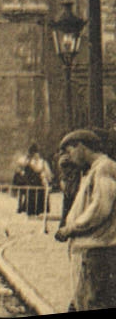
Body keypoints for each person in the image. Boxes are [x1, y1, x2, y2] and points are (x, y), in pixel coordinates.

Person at [53, 129, 116, 313]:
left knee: (91, 303)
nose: (70, 158)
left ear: (81, 146)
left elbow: (99, 208)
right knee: (81, 303)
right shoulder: (93, 170)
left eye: (70, 151)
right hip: (91, 250)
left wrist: (71, 228)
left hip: (97, 250)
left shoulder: (104, 168)